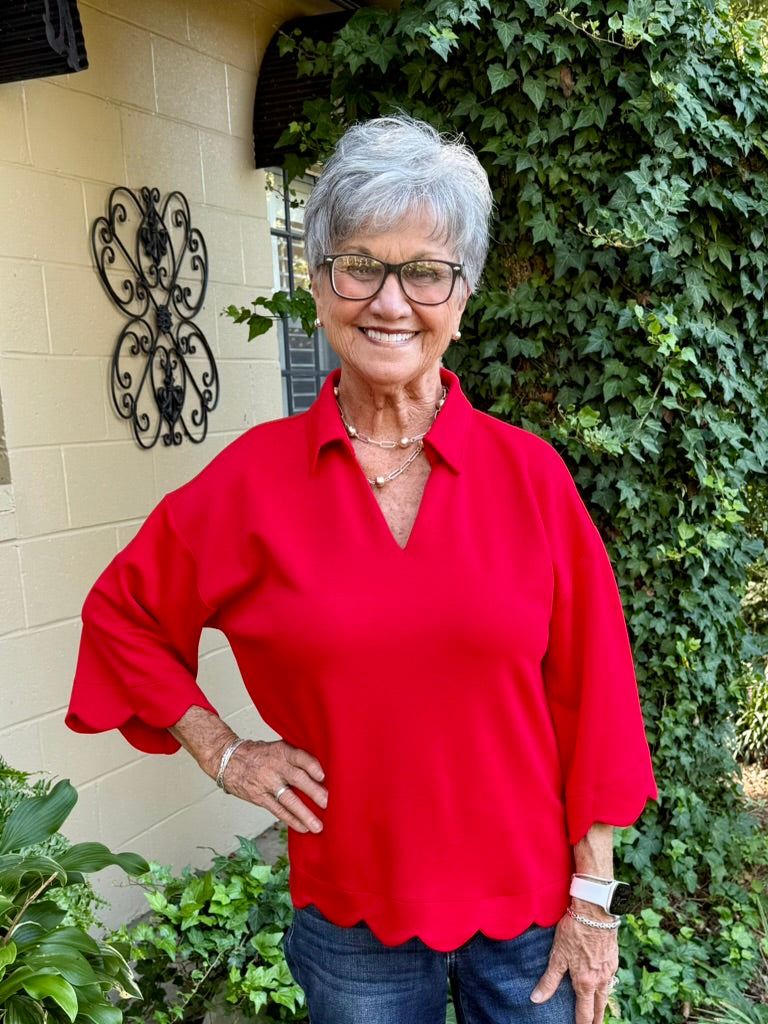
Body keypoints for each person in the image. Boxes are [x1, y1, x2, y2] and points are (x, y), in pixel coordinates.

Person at [67, 115, 657, 1024]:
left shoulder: (529, 477)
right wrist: (223, 752)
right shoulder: (254, 484)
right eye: (359, 266)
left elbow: (598, 696)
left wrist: (594, 898)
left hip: (535, 909)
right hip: (351, 916)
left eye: (425, 272)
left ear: (462, 297)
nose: (390, 301)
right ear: (317, 285)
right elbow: (122, 614)